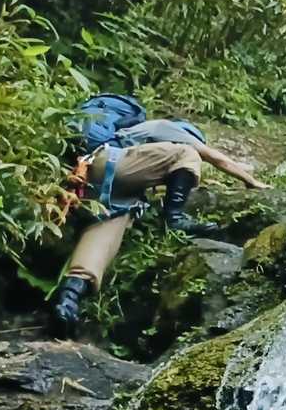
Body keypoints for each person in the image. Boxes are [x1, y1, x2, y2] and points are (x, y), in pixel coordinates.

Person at [48, 119, 270, 339]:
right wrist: (251, 181)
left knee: (96, 251)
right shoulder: (165, 127)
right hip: (109, 163)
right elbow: (215, 158)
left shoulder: (144, 149)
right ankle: (175, 219)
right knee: (187, 153)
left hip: (102, 186)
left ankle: (68, 303)